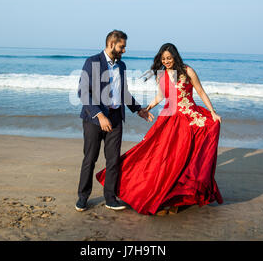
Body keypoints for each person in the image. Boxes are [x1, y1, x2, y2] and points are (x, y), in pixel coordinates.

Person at [96, 43, 223, 215]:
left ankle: (179, 197)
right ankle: (159, 195)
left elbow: (200, 91)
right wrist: (148, 107)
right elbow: (161, 96)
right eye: (163, 59)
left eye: (169, 58)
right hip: (169, 118)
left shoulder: (188, 71)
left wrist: (212, 112)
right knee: (161, 155)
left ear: (175, 56)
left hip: (189, 118)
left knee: (186, 156)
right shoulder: (161, 75)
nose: (166, 61)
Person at [76, 30, 154, 212]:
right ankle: (82, 197)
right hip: (93, 120)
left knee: (113, 160)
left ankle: (110, 198)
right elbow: (83, 92)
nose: (124, 50)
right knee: (90, 158)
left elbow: (124, 93)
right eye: (122, 46)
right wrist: (100, 115)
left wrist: (138, 110)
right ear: (111, 44)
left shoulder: (122, 66)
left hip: (116, 118)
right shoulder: (92, 62)